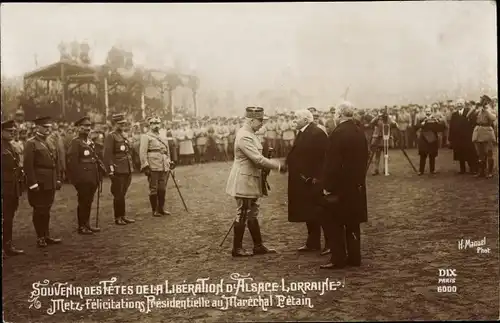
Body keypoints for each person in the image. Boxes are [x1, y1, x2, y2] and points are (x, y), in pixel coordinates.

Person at [226, 107, 287, 257]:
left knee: (252, 212)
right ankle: (237, 248)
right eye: (260, 121)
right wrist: (278, 166)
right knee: (243, 213)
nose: (262, 124)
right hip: (244, 179)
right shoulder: (244, 136)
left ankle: (258, 246)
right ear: (251, 120)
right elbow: (257, 159)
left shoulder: (250, 134)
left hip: (250, 178)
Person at [320, 101, 368, 269]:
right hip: (356, 185)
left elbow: (332, 164)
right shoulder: (358, 131)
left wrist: (327, 186)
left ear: (339, 115)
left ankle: (338, 258)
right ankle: (355, 257)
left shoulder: (337, 133)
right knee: (353, 223)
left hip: (340, 188)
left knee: (335, 223)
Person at [285, 109, 330, 255]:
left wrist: (318, 178)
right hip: (303, 180)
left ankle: (330, 243)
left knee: (320, 212)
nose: (294, 120)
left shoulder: (317, 133)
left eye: (296, 118)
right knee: (309, 211)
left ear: (305, 119)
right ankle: (313, 242)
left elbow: (324, 158)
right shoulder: (303, 132)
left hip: (313, 180)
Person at [23, 116, 62, 248]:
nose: (48, 130)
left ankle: (46, 235)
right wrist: (33, 183)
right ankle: (40, 237)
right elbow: (28, 165)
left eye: (49, 127)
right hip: (39, 181)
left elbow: (54, 163)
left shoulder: (49, 143)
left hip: (49, 181)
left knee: (47, 209)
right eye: (45, 127)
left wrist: (56, 179)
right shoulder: (31, 143)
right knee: (39, 209)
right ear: (37, 127)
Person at [67, 116, 105, 235]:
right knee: (83, 201)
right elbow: (72, 162)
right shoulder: (76, 142)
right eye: (84, 126)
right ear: (78, 128)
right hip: (83, 177)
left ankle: (87, 224)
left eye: (89, 126)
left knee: (89, 201)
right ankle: (81, 226)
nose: (87, 129)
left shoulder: (89, 142)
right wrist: (76, 179)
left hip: (92, 176)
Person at [103, 113, 135, 225]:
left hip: (126, 168)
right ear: (114, 124)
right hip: (118, 168)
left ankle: (123, 215)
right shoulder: (111, 136)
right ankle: (118, 217)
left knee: (123, 193)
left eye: (123, 123)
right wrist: (111, 169)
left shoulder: (122, 135)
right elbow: (107, 154)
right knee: (118, 194)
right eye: (119, 124)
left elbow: (129, 149)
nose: (122, 125)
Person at [139, 116, 173, 217]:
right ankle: (155, 210)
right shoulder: (146, 136)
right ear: (150, 125)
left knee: (162, 188)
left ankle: (161, 208)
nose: (156, 126)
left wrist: (169, 161)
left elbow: (167, 150)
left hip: (163, 164)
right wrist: (145, 165)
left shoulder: (163, 136)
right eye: (154, 124)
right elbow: (142, 152)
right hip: (153, 165)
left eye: (158, 123)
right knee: (153, 188)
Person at [2, 120, 25, 256]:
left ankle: (8, 246)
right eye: (9, 131)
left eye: (13, 131)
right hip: (4, 187)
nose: (12, 133)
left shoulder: (9, 146)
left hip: (11, 187)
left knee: (8, 217)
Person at [468, 95, 497, 178]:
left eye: (483, 100)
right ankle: (482, 171)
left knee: (488, 152)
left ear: (487, 101)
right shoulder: (478, 109)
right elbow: (468, 116)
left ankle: (490, 172)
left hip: (487, 131)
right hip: (478, 131)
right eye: (481, 100)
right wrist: (474, 108)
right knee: (480, 154)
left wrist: (486, 110)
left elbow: (493, 118)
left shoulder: (490, 109)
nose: (481, 101)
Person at [449, 98, 478, 174]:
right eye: (458, 103)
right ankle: (462, 169)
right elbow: (451, 127)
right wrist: (451, 138)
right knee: (459, 153)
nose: (459, 105)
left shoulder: (468, 112)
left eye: (461, 103)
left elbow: (473, 123)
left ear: (464, 104)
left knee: (469, 153)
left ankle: (472, 168)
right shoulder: (454, 115)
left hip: (467, 137)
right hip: (458, 138)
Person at [415, 107, 446, 175]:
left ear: (431, 112)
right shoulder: (422, 119)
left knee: (432, 155)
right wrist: (421, 124)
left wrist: (439, 123)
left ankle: (432, 170)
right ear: (424, 112)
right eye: (426, 111)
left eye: (429, 111)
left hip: (433, 139)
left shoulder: (435, 120)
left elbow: (442, 128)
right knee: (423, 155)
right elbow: (415, 127)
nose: (427, 112)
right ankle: (421, 171)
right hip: (424, 139)